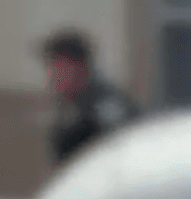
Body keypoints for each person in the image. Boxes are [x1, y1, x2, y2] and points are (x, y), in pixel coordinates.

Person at [41, 29, 140, 166]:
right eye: (51, 67)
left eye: (60, 67)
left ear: (79, 66)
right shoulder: (70, 106)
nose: (53, 76)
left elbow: (125, 151)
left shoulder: (106, 105)